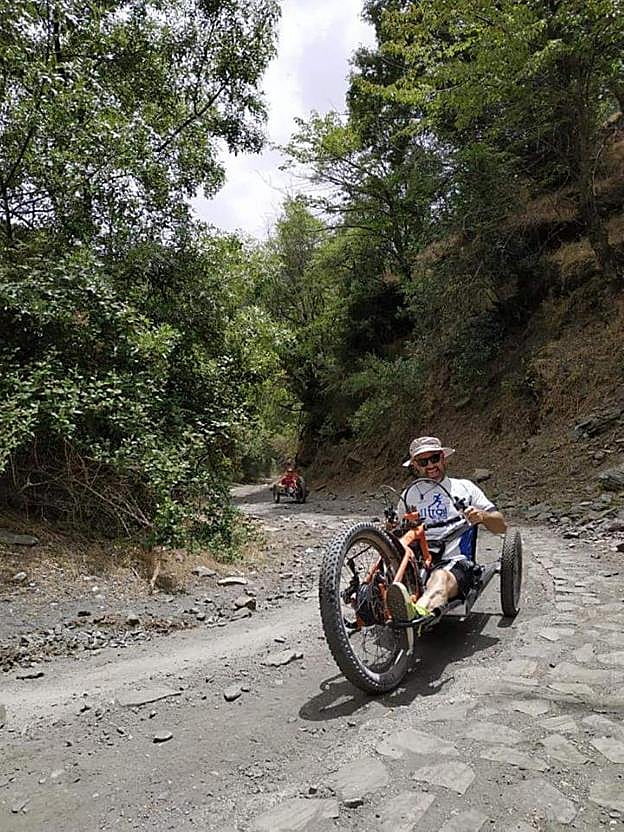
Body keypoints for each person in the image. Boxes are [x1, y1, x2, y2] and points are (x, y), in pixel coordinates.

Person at [386, 436, 506, 622]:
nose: (430, 465)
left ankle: (416, 615)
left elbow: (501, 526)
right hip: (417, 561)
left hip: (454, 560)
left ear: (443, 457)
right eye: (423, 462)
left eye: (434, 458)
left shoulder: (465, 487)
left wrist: (482, 517)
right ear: (415, 466)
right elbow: (399, 532)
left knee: (440, 578)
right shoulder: (409, 495)